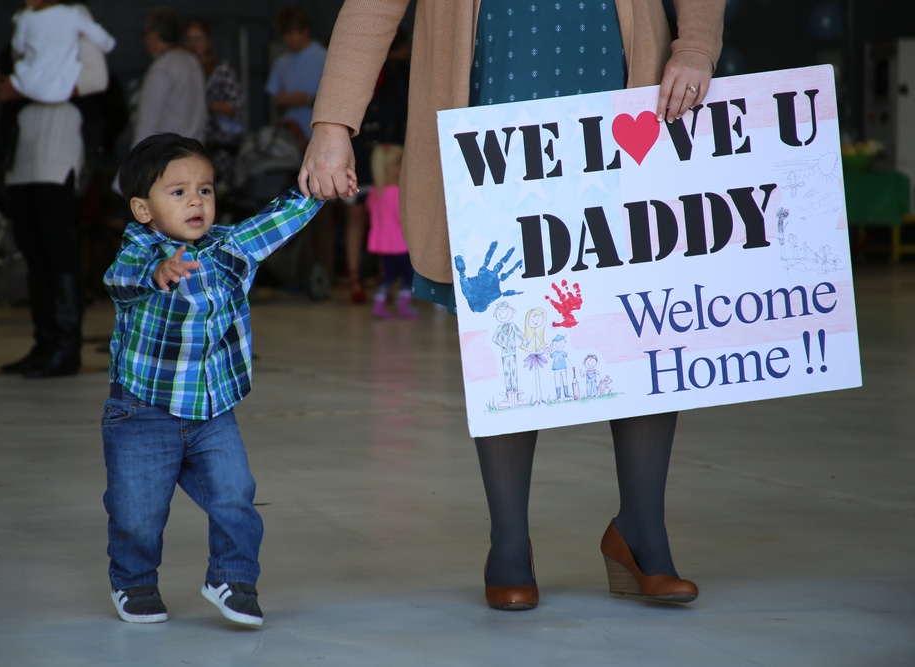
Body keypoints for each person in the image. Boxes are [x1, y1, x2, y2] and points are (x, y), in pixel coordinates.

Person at [300, 0, 724, 611]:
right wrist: (333, 125)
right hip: (494, 98)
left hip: (629, 90)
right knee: (510, 325)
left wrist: (695, 44)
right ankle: (509, 541)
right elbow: (371, 9)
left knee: (641, 319)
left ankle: (643, 532)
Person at [102, 132, 344, 626]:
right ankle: (134, 581)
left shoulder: (228, 248)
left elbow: (274, 223)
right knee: (137, 514)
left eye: (205, 189)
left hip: (213, 412)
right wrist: (160, 271)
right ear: (142, 209)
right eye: (178, 192)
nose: (196, 200)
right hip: (143, 412)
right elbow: (119, 278)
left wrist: (319, 188)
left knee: (235, 495)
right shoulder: (140, 248)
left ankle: (232, 579)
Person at [0, 1, 113, 378]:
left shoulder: (76, 19)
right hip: (25, 139)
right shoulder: (24, 19)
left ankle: (66, 346)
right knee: (30, 241)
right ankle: (44, 341)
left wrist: (34, 90)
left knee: (57, 241)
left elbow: (96, 78)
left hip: (59, 136)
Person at [343, 28, 410, 304]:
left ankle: (388, 278)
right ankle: (354, 276)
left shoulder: (401, 74)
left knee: (389, 215)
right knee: (356, 216)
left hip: (387, 157)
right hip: (359, 154)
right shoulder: (356, 69)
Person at [9, 0, 115, 104]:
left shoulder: (25, 18)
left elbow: (18, 49)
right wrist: (106, 48)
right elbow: (101, 37)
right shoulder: (73, 14)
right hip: (63, 85)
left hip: (30, 83)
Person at [132, 7, 207, 147]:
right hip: (194, 153)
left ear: (154, 35)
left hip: (166, 157)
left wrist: (133, 164)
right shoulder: (192, 62)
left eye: (144, 34)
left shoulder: (162, 68)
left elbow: (147, 124)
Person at [185, 19, 244, 187]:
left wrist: (206, 105)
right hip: (194, 141)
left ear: (208, 41)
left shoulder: (220, 70)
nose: (193, 44)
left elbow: (237, 104)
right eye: (189, 39)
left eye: (198, 39)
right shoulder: (185, 70)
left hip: (220, 145)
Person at [365, 143, 417, 319]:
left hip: (383, 244)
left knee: (388, 276)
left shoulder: (375, 191)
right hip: (399, 243)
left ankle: (379, 304)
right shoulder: (396, 192)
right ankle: (403, 306)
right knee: (407, 276)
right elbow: (402, 218)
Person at [265, 7, 325, 141]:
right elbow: (277, 110)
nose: (287, 39)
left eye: (291, 33)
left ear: (305, 32)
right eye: (284, 34)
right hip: (289, 139)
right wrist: (282, 101)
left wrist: (307, 99)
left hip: (317, 137)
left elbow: (337, 102)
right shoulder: (281, 63)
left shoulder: (324, 58)